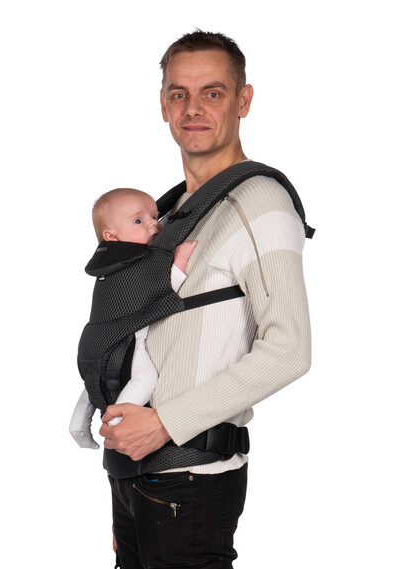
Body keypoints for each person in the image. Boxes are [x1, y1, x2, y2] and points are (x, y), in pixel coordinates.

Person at [99, 30, 312, 568]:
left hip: (191, 481)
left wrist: (164, 423)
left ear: (243, 101)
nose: (193, 109)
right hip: (139, 476)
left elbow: (289, 348)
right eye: (179, 94)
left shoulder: (259, 203)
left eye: (213, 93)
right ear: (163, 105)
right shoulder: (170, 213)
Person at [70, 188, 196, 448]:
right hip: (125, 340)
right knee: (145, 378)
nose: (153, 224)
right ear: (111, 236)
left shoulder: (108, 265)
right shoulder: (139, 263)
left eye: (154, 216)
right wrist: (181, 258)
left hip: (93, 343)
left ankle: (77, 426)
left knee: (95, 381)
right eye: (138, 220)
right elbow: (162, 289)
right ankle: (118, 421)